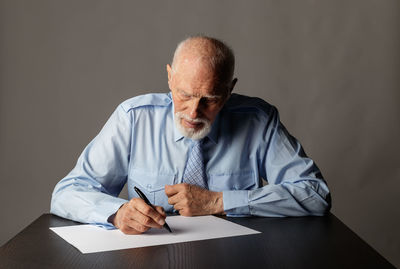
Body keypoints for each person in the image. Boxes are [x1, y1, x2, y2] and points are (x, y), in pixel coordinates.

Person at [51, 35, 331, 235]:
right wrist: (116, 213)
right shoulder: (134, 118)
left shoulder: (258, 120)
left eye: (210, 99)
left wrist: (218, 202)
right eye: (184, 95)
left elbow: (316, 194)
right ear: (170, 77)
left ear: (229, 90)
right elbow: (66, 193)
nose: (193, 112)